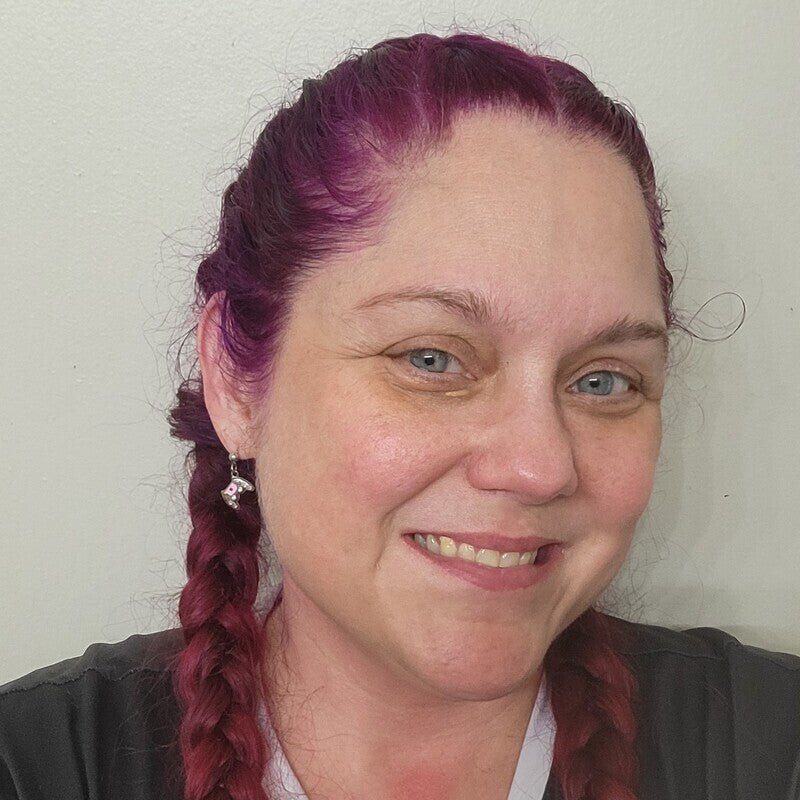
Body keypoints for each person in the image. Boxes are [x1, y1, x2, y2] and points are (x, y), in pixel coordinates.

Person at [1, 31, 798, 800]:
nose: (539, 466)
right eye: (431, 359)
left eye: (602, 380)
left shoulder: (771, 748)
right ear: (236, 383)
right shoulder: (38, 767)